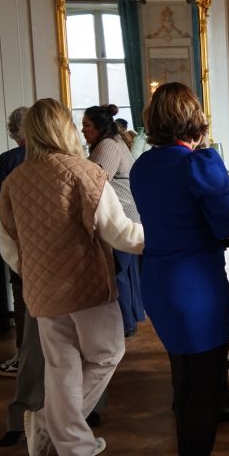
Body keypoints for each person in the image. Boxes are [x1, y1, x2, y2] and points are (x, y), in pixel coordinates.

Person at [0, 99, 143, 456]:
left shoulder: (14, 181)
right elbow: (120, 233)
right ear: (64, 128)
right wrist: (165, 236)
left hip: (41, 290)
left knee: (61, 366)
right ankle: (51, 425)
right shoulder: (84, 172)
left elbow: (7, 243)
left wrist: (32, 270)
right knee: (107, 354)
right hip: (85, 284)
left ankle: (74, 450)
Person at [130, 82, 229, 456]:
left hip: (159, 281)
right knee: (204, 386)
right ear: (193, 119)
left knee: (184, 381)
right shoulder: (198, 163)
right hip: (195, 286)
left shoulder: (143, 167)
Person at [83, 104, 145, 338]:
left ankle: (125, 323)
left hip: (121, 218)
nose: (83, 130)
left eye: (87, 125)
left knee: (117, 272)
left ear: (99, 127)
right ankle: (129, 321)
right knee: (124, 273)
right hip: (128, 216)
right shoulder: (115, 142)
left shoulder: (107, 146)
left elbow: (96, 184)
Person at [0, 107, 29, 377]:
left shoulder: (9, 159)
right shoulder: (60, 157)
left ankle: (24, 355)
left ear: (14, 131)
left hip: (20, 235)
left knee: (22, 296)